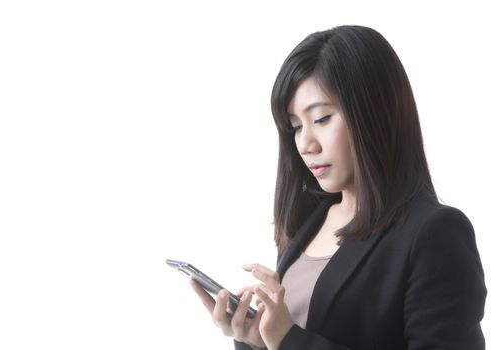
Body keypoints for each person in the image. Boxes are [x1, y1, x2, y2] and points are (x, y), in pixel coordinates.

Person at [190, 25, 487, 350]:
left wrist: (289, 339)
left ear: (374, 112)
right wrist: (256, 340)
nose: (305, 144)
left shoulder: (434, 233)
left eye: (320, 119)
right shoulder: (307, 222)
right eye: (295, 126)